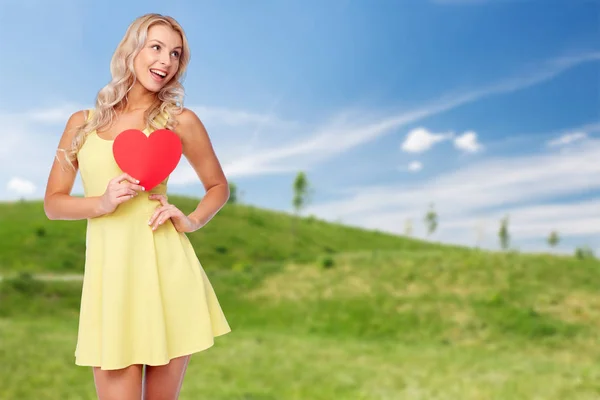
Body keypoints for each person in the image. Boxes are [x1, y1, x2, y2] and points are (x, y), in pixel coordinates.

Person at [43, 13, 232, 399]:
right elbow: (53, 203)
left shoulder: (179, 121)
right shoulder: (82, 123)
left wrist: (191, 220)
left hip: (168, 275)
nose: (166, 61)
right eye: (156, 47)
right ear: (132, 50)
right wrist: (103, 202)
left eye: (175, 54)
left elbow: (217, 186)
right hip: (111, 283)